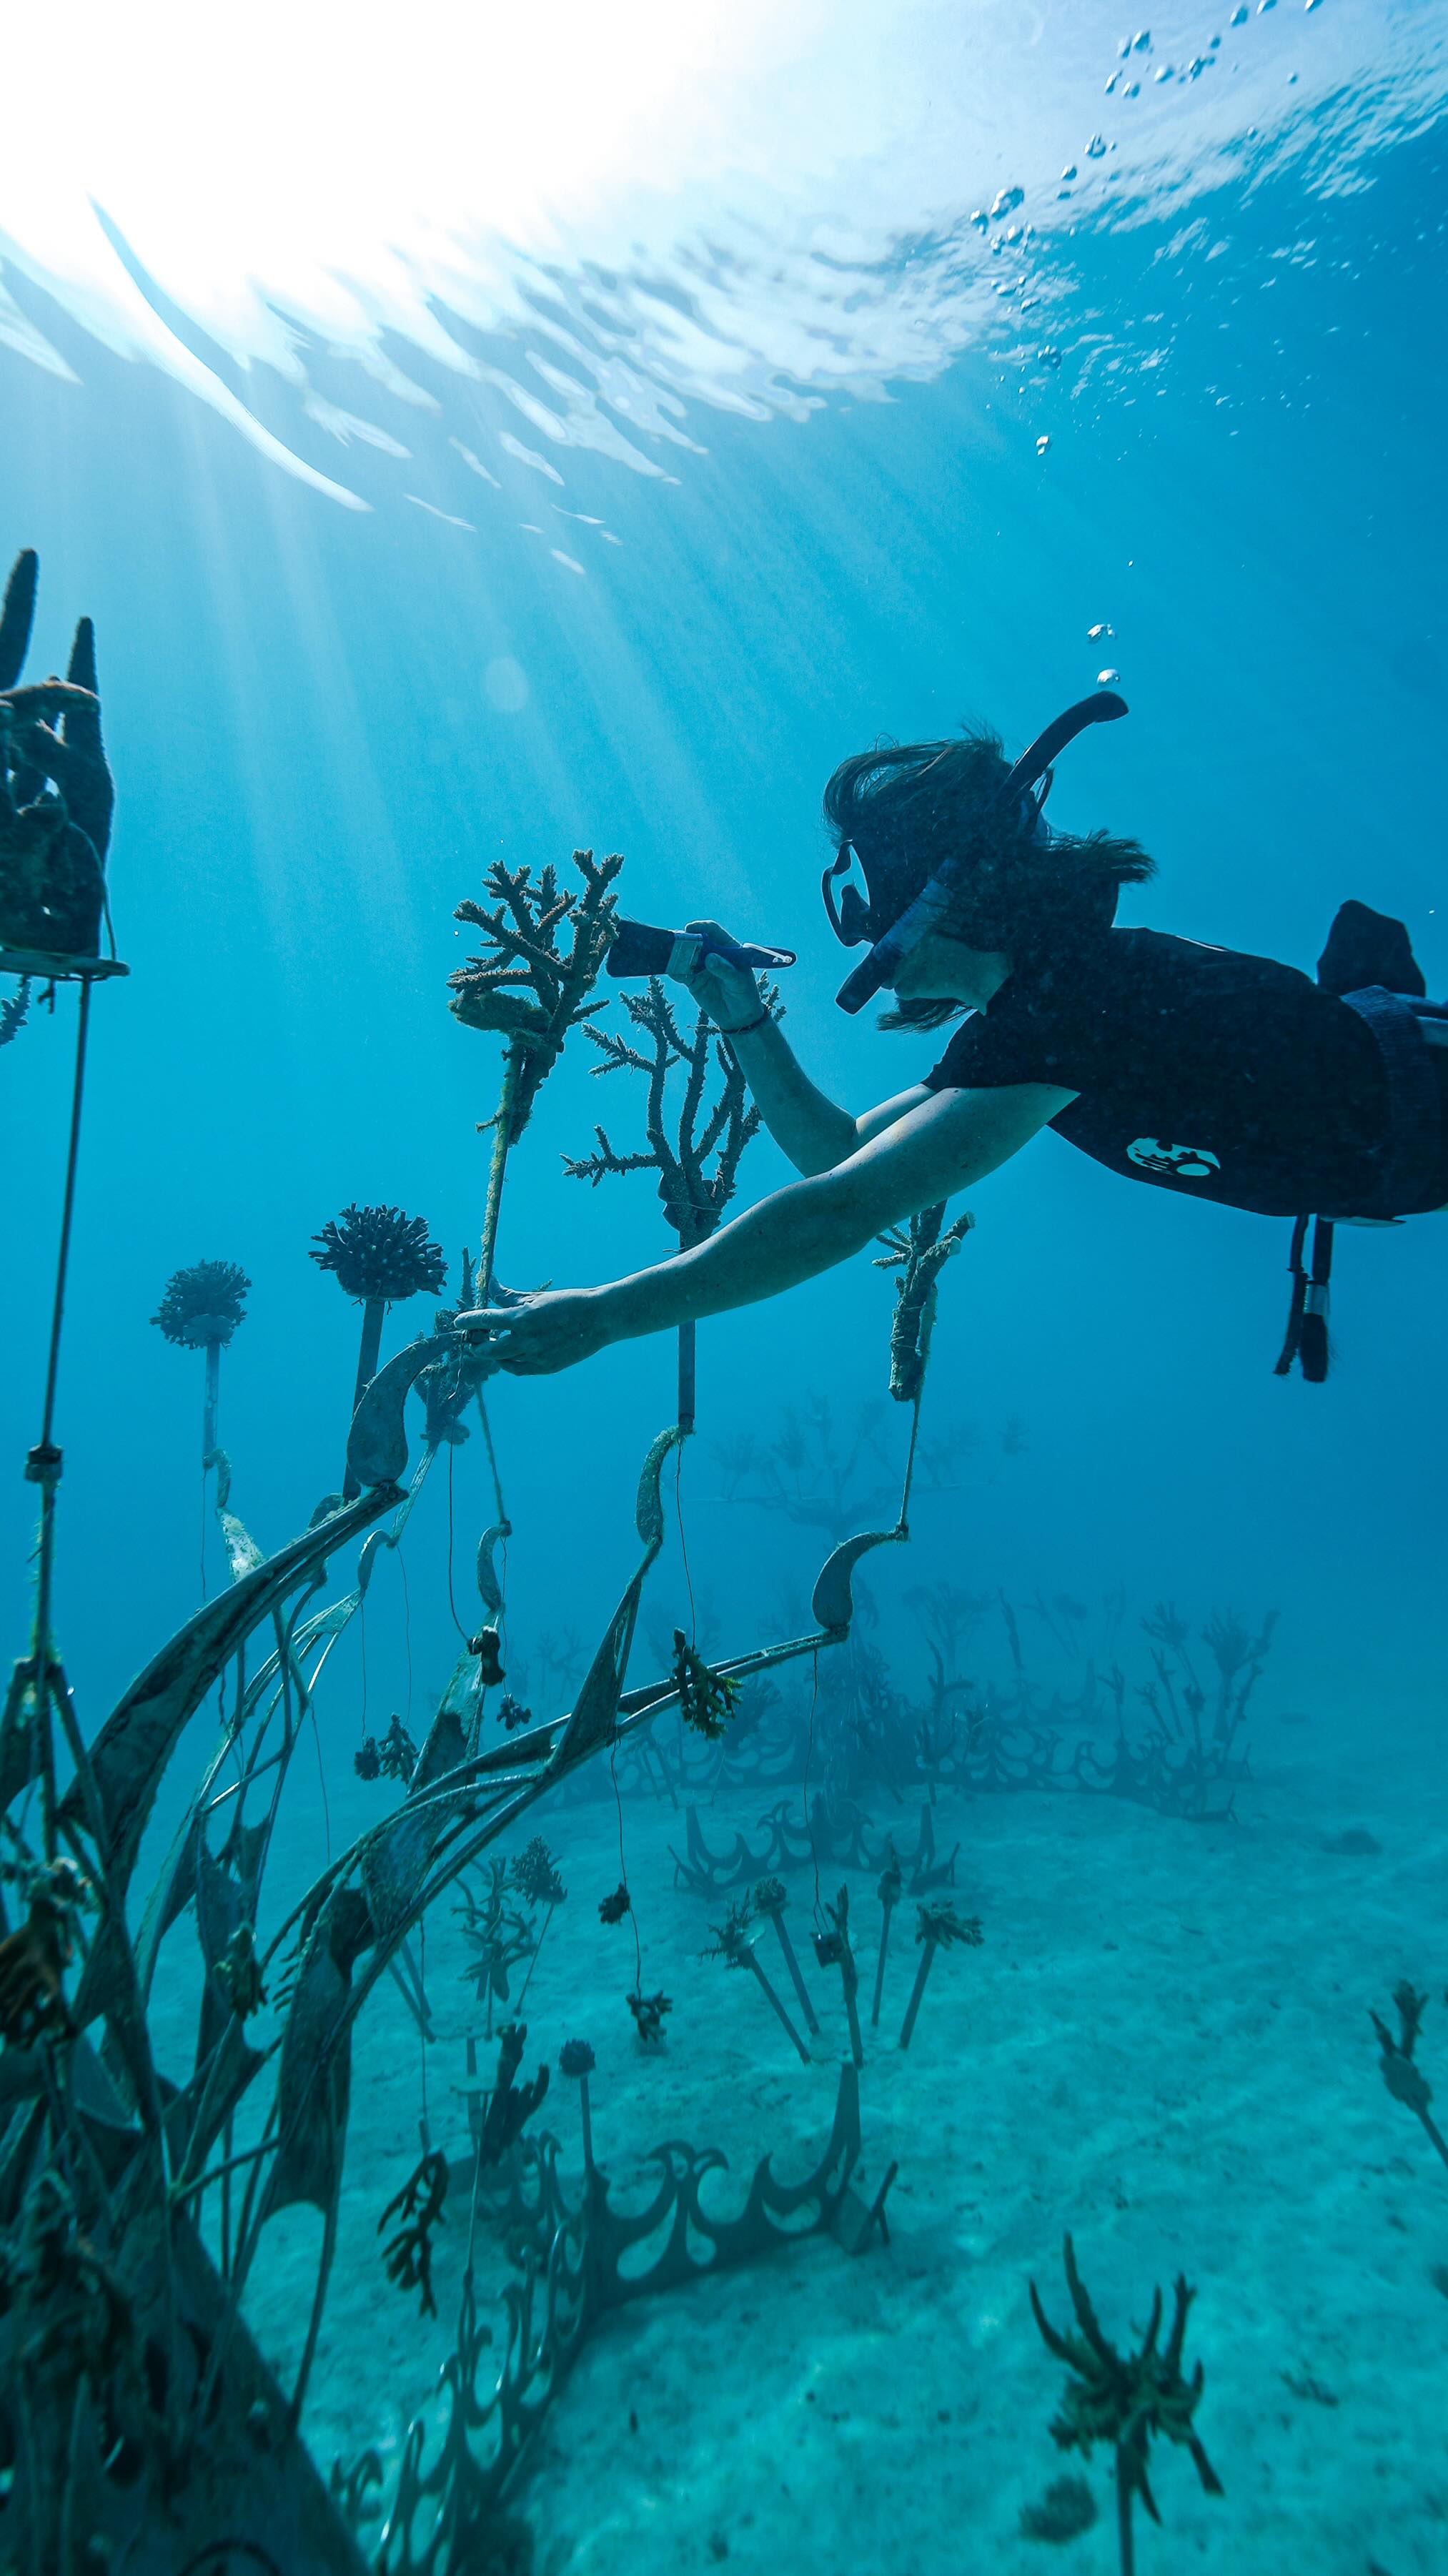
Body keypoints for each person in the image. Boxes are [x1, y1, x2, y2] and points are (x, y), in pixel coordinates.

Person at [474, 693, 1445, 1382]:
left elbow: (838, 1211)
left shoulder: (1072, 1005)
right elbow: (843, 1160)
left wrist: (606, 1317)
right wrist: (735, 1005)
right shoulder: (1038, 1019)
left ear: (936, 889)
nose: (852, 921)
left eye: (862, 887)